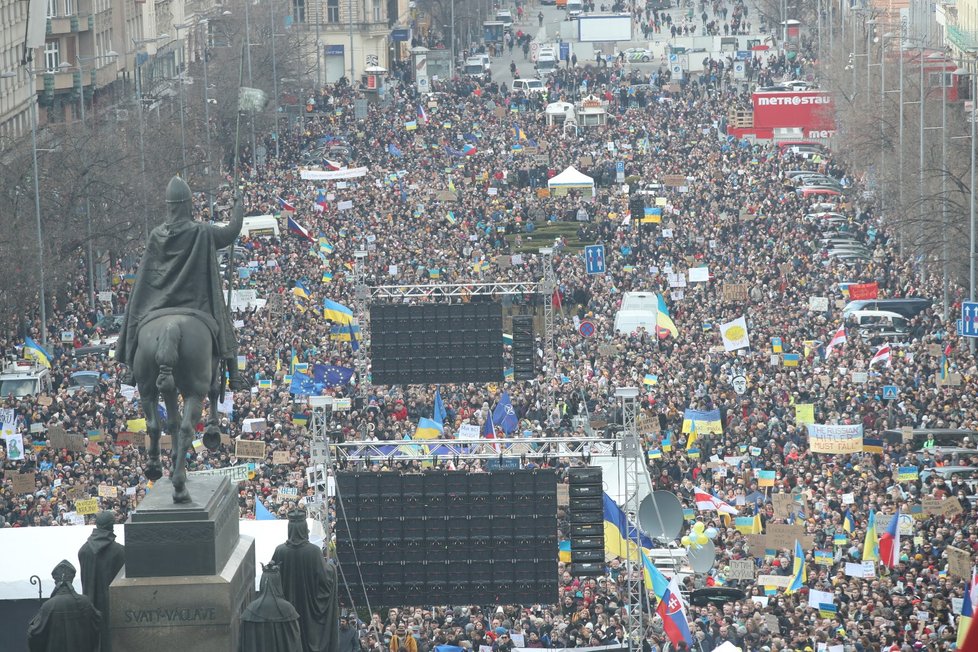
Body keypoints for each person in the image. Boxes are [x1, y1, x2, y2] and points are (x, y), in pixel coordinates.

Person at [115, 175, 249, 391]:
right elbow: (231, 232)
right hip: (197, 303)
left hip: (158, 303)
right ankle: (234, 376)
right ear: (187, 205)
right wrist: (238, 206)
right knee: (224, 325)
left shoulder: (156, 235)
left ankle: (131, 364)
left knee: (135, 313)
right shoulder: (202, 231)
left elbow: (146, 277)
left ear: (168, 206)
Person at [271, 510, 340, 652]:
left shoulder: (280, 551)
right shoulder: (313, 552)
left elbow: (271, 578)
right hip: (310, 613)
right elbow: (326, 579)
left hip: (287, 610)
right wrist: (332, 567)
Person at [26, 560, 101, 652]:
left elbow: (33, 634)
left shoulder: (48, 606)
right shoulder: (85, 603)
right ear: (72, 579)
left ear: (56, 581)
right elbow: (97, 627)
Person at [77, 510, 124, 651]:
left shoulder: (83, 551)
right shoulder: (120, 552)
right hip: (114, 608)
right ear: (111, 526)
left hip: (90, 605)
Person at [240, 562, 303, 652]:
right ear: (278, 582)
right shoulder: (288, 610)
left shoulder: (250, 610)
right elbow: (296, 645)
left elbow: (243, 646)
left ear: (262, 581)